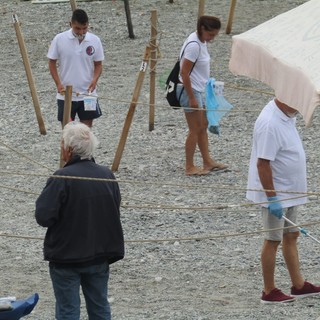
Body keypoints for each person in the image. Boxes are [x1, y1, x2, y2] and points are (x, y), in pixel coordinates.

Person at [35, 122, 124, 319]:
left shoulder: (61, 177)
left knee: (68, 310)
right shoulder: (106, 175)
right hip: (100, 253)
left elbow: (43, 216)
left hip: (67, 256)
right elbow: (114, 207)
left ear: (68, 149)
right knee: (100, 306)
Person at [247, 98, 320, 304]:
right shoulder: (270, 123)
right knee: (273, 240)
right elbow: (263, 164)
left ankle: (299, 285)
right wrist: (272, 198)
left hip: (290, 190)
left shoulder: (287, 114)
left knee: (292, 235)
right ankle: (269, 291)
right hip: (275, 192)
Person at [176, 15, 228, 176]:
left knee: (203, 125)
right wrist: (191, 98)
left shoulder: (201, 41)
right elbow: (184, 72)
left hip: (199, 88)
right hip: (189, 90)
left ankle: (207, 161)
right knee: (195, 128)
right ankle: (189, 166)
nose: (212, 39)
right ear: (202, 29)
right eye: (211, 35)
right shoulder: (194, 45)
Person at [48, 9, 104, 127]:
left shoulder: (95, 40)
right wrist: (58, 83)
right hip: (66, 95)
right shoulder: (59, 39)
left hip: (88, 94)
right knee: (67, 133)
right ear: (71, 24)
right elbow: (52, 62)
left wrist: (95, 80)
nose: (81, 32)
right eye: (77, 28)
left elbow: (98, 64)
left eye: (84, 28)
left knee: (86, 132)